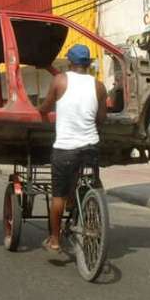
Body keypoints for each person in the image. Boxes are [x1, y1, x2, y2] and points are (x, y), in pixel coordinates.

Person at [38, 44, 107, 252]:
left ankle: (55, 240)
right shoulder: (99, 86)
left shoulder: (60, 80)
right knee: (88, 178)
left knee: (57, 195)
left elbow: (46, 108)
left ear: (70, 62)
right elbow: (101, 119)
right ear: (88, 64)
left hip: (65, 148)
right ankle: (87, 204)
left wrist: (38, 110)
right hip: (90, 147)